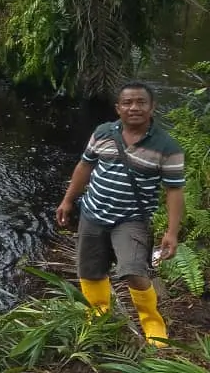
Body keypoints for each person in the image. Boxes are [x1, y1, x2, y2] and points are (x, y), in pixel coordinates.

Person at [56, 82, 185, 348]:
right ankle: (99, 312)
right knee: (90, 269)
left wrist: (172, 232)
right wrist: (68, 200)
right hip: (93, 213)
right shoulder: (103, 132)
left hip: (132, 219)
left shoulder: (167, 146)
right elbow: (84, 166)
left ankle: (151, 320)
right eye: (127, 103)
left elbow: (174, 191)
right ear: (118, 108)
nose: (134, 107)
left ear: (152, 107)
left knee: (133, 270)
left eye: (140, 102)